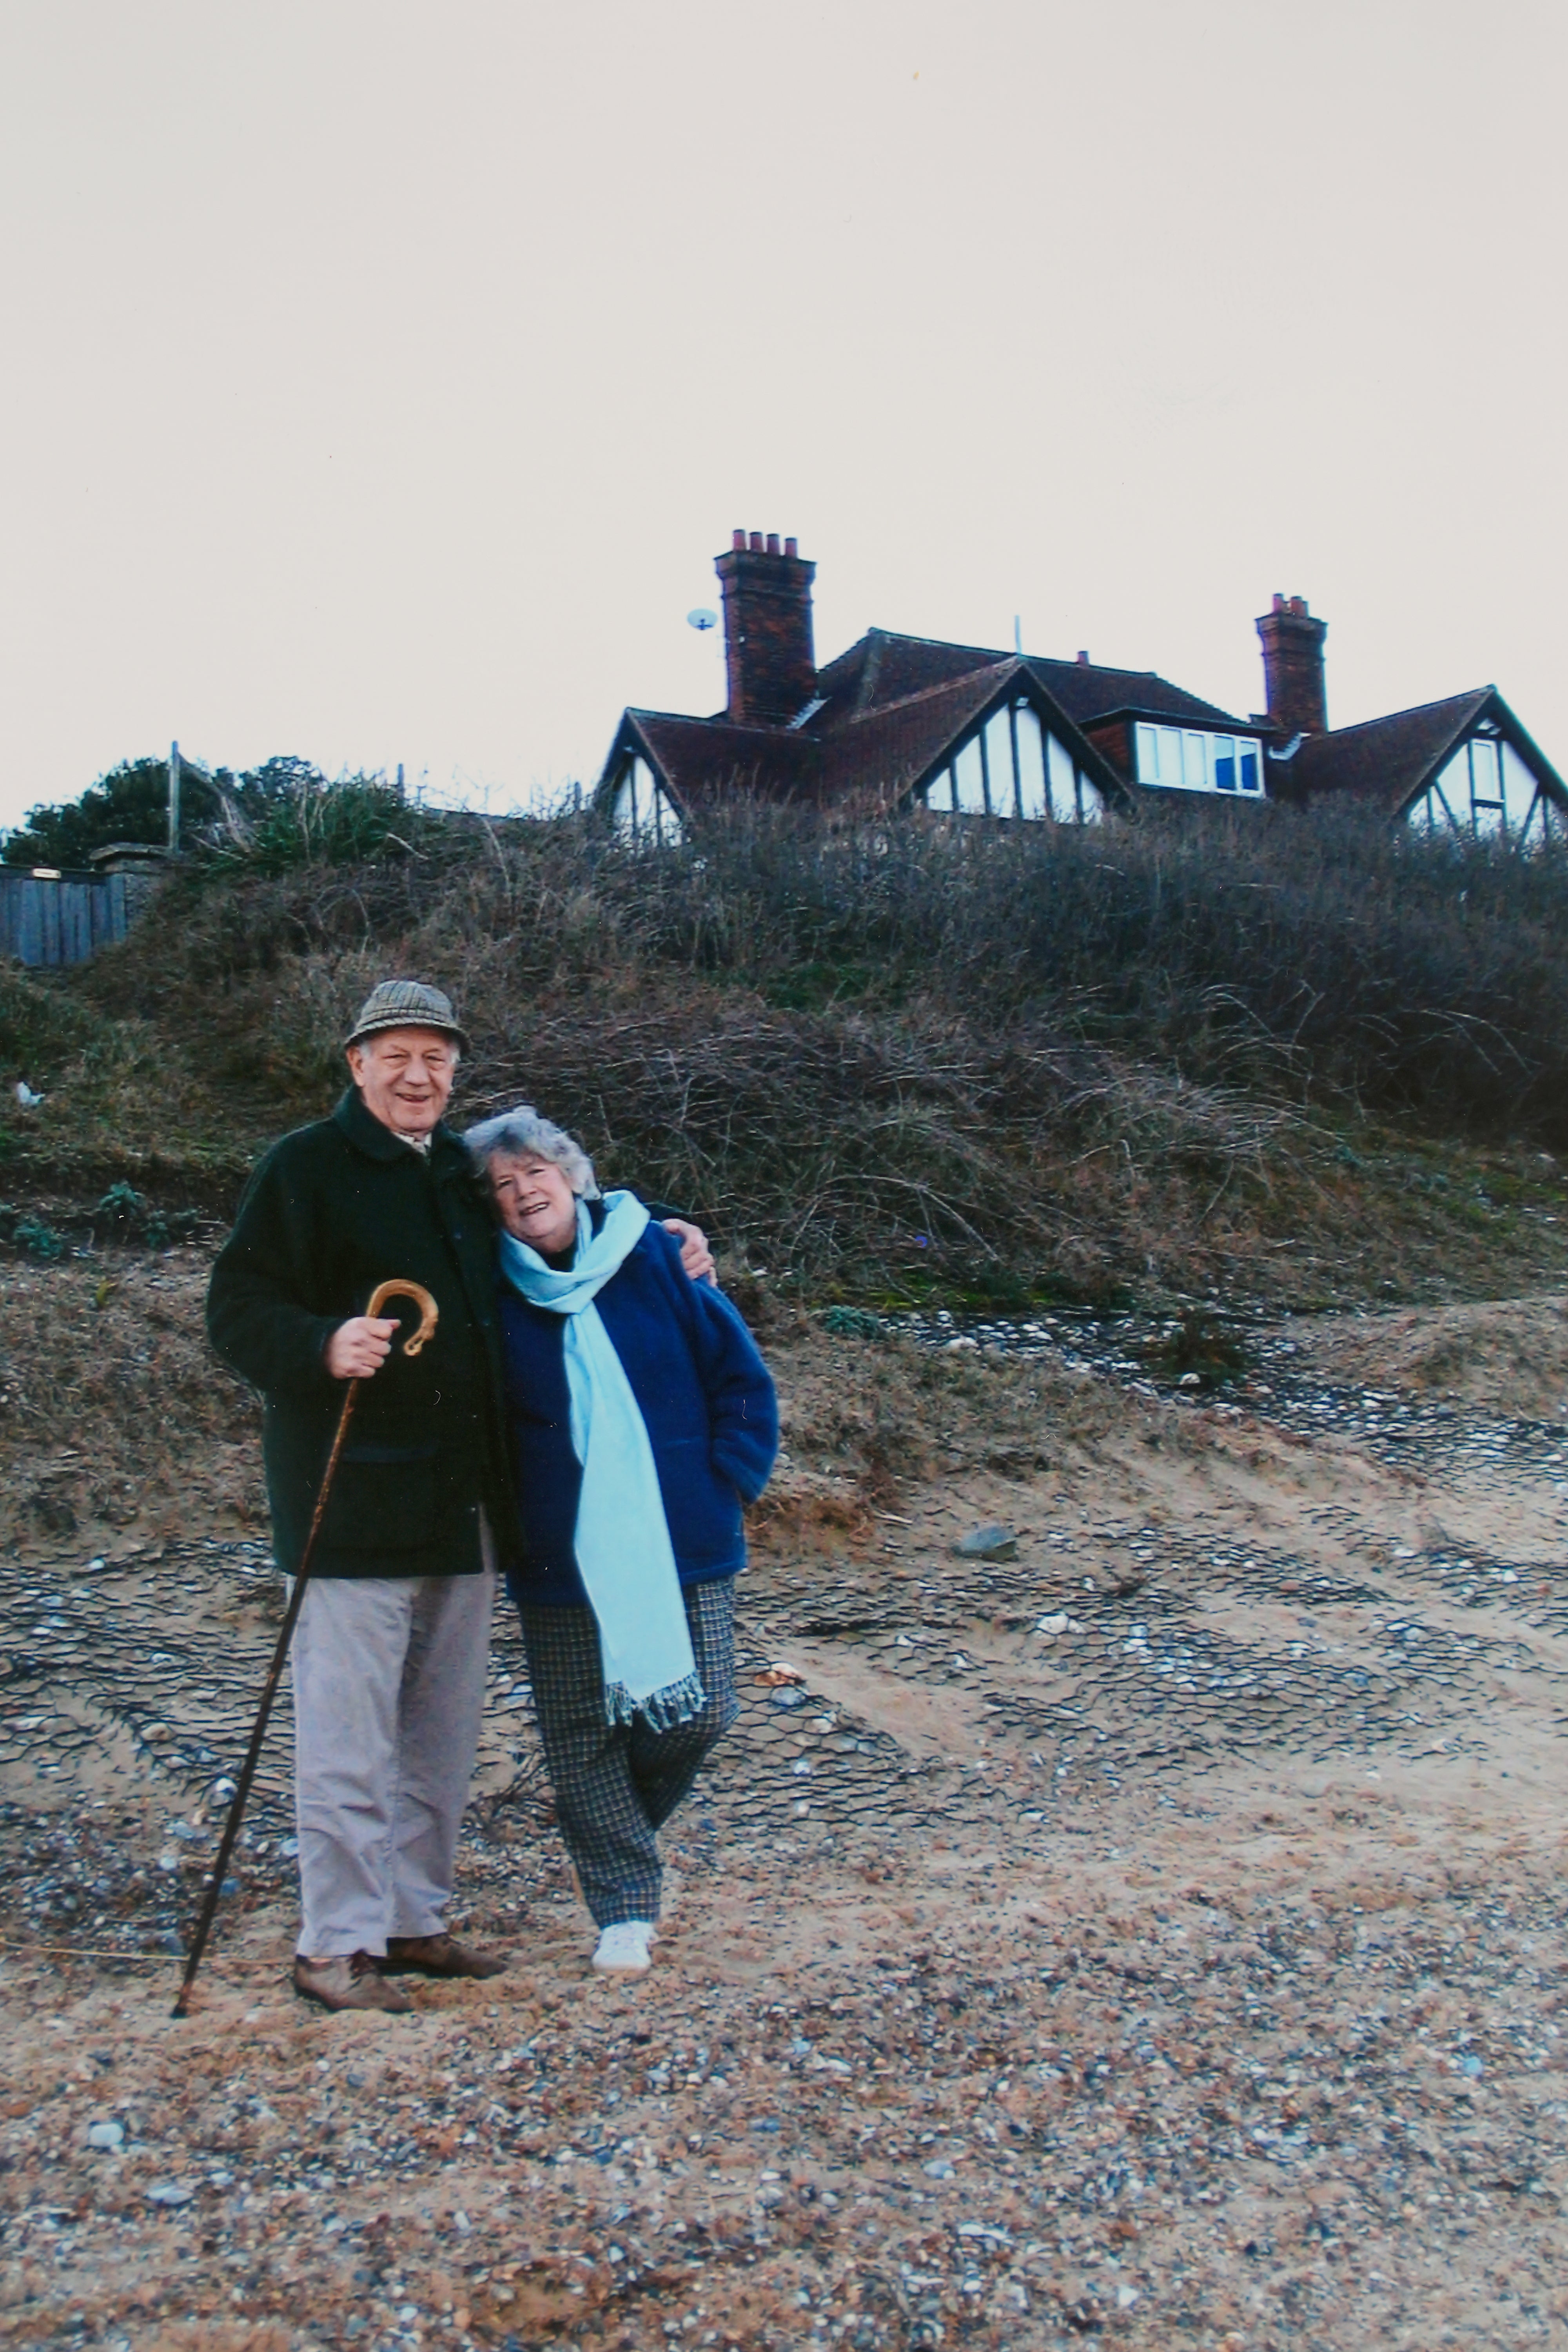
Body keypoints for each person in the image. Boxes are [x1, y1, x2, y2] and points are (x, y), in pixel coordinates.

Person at [207, 979, 714, 2014]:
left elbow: (563, 1213)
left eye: (436, 1057)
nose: (417, 1074)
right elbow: (236, 1305)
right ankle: (334, 1945)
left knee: (440, 1738)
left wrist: (671, 1231)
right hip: (350, 1508)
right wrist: (319, 1343)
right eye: (394, 1054)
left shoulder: (458, 1172)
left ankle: (413, 1920)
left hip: (468, 1510)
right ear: (356, 1064)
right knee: (350, 1740)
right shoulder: (302, 1168)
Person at [465, 1105, 777, 1976]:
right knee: (578, 1734)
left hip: (683, 1532)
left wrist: (730, 1478)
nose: (524, 1192)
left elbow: (739, 1376)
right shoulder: (487, 1287)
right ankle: (624, 1907)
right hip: (556, 1550)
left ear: (571, 1177)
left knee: (705, 1707)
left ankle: (605, 1831)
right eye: (501, 1185)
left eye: (536, 1173)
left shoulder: (652, 1255)